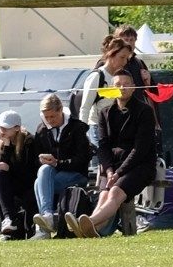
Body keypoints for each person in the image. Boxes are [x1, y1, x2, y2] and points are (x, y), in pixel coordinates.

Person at [67, 71, 157, 238]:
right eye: (117, 84)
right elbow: (103, 146)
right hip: (112, 166)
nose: (122, 87)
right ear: (112, 88)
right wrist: (109, 171)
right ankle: (90, 231)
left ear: (133, 87)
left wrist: (118, 173)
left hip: (140, 165)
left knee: (114, 192)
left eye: (126, 84)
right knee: (104, 195)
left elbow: (140, 150)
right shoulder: (105, 113)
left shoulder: (144, 111)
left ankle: (89, 222)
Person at [31, 93, 92, 239]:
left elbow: (83, 159)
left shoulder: (77, 128)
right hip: (53, 176)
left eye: (53, 116)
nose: (50, 120)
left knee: (39, 183)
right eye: (47, 117)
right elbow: (35, 158)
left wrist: (58, 163)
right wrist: (42, 160)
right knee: (42, 173)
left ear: (60, 111)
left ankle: (44, 228)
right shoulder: (41, 130)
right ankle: (47, 217)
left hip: (77, 175)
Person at [0, 110, 39, 240]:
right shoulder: (1, 142)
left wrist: (10, 168)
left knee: (2, 181)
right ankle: (8, 222)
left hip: (28, 182)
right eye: (1, 127)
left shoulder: (29, 142)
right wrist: (6, 147)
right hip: (12, 183)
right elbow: (0, 165)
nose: (2, 131)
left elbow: (30, 170)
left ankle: (10, 221)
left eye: (6, 128)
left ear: (17, 128)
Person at [79, 37, 132, 146]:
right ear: (111, 54)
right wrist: (81, 135)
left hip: (117, 128)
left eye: (127, 58)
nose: (125, 62)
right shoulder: (97, 76)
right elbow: (85, 107)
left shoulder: (122, 77)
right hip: (97, 128)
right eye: (122, 57)